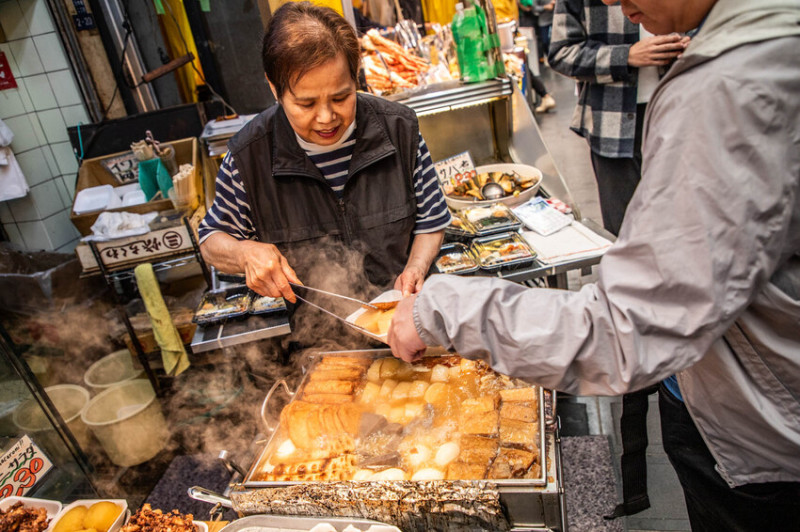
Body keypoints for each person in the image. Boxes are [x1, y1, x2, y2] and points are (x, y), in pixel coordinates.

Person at [388, 0, 800, 529]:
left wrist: (442, 308)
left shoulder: (731, 87)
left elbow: (626, 330)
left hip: (764, 440)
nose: (609, 4)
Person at [198, 2, 451, 304]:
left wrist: (416, 268)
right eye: (306, 104)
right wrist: (244, 253)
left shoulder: (400, 129)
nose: (326, 117)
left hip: (407, 314)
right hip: (318, 327)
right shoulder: (248, 157)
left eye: (341, 97)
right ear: (274, 88)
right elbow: (211, 240)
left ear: (356, 76)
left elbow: (432, 220)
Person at [516, 0, 557, 113]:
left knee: (523, 68)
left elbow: (530, 6)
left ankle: (544, 96)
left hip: (529, 23)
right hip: (535, 22)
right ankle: (544, 96)